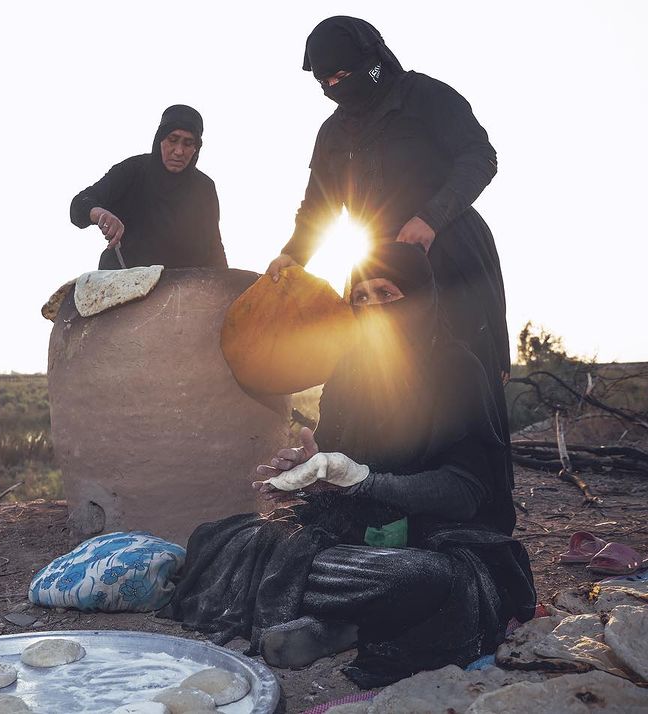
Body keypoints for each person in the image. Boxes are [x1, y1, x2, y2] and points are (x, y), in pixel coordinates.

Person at [164, 243, 535, 688]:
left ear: (422, 297)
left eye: (386, 294)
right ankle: (347, 619)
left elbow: (464, 492)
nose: (372, 308)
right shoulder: (350, 370)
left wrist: (364, 481)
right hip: (354, 537)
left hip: (436, 540)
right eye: (360, 297)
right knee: (223, 540)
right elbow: (333, 458)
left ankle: (341, 622)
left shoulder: (457, 369)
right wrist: (308, 468)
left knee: (427, 578)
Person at [266, 16, 510, 421]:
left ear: (370, 60)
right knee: (381, 378)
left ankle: (470, 462)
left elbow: (480, 157)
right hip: (377, 267)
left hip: (449, 252)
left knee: (463, 370)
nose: (334, 87)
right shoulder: (332, 133)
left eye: (343, 76)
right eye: (325, 81)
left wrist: (430, 218)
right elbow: (319, 206)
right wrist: (294, 254)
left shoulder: (427, 97)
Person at [70, 104, 228, 270]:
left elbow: (214, 248)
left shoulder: (205, 188)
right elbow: (79, 205)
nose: (179, 151)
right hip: (124, 277)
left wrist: (228, 282)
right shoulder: (132, 170)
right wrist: (100, 214)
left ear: (196, 148)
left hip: (182, 283)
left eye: (188, 143)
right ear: (160, 140)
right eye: (173, 140)